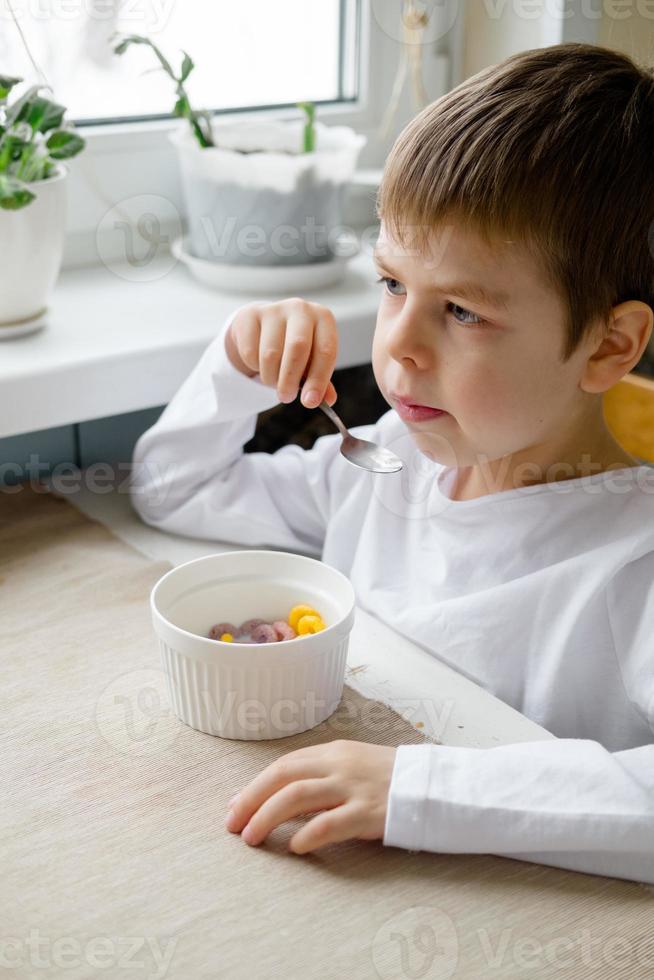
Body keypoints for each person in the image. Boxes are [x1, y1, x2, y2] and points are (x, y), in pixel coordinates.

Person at [129, 42, 654, 883]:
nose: (399, 347)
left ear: (608, 345)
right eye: (390, 283)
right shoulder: (386, 463)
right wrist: (232, 369)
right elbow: (173, 490)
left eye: (463, 312)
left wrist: (416, 789)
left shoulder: (632, 561)